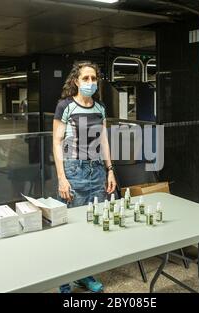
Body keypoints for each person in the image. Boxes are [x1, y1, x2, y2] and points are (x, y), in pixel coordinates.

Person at [53, 61, 117, 293]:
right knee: (70, 228)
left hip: (97, 172)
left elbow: (104, 140)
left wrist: (110, 170)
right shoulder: (65, 106)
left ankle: (85, 275)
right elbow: (57, 142)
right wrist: (61, 177)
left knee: (91, 227)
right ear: (76, 81)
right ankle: (63, 281)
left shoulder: (100, 108)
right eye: (86, 78)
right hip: (74, 171)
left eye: (94, 78)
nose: (90, 82)